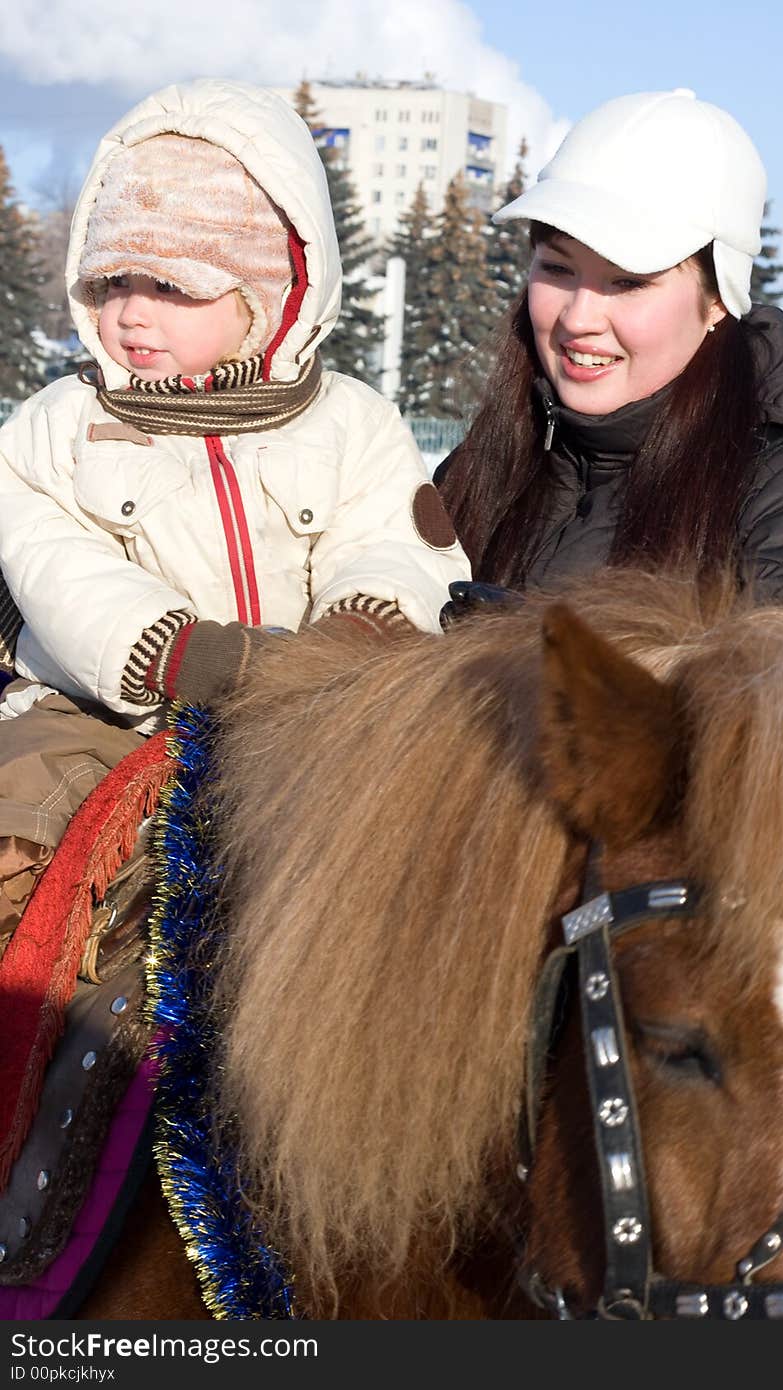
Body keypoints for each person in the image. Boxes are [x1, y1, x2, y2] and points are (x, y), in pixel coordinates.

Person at [0, 78, 469, 933]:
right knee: (15, 824)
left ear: (265, 293)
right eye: (113, 282)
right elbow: (55, 565)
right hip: (101, 714)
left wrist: (358, 632)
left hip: (315, 705)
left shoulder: (350, 420)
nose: (132, 314)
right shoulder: (57, 428)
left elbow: (391, 541)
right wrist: (177, 652)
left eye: (173, 287)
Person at [437, 87, 783, 639]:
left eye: (629, 282)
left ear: (718, 298)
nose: (579, 317)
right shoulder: (495, 454)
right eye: (557, 269)